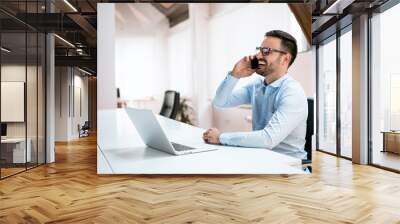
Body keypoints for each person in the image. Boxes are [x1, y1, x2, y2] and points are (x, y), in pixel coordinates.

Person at [202, 30, 308, 159]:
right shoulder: (257, 85)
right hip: (260, 158)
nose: (258, 56)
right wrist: (235, 75)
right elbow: (220, 102)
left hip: (288, 167)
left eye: (266, 51)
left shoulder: (292, 92)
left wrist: (221, 138)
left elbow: (268, 139)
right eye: (259, 50)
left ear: (285, 59)